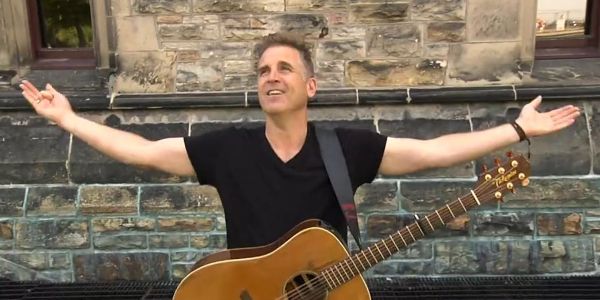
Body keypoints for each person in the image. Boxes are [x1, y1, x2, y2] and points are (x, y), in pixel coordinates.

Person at [20, 32, 580, 249]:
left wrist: (514, 130)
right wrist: (69, 120)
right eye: (263, 68)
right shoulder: (227, 149)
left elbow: (432, 151)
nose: (271, 75)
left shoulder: (346, 148)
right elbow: (142, 150)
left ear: (309, 86)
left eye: (284, 67)